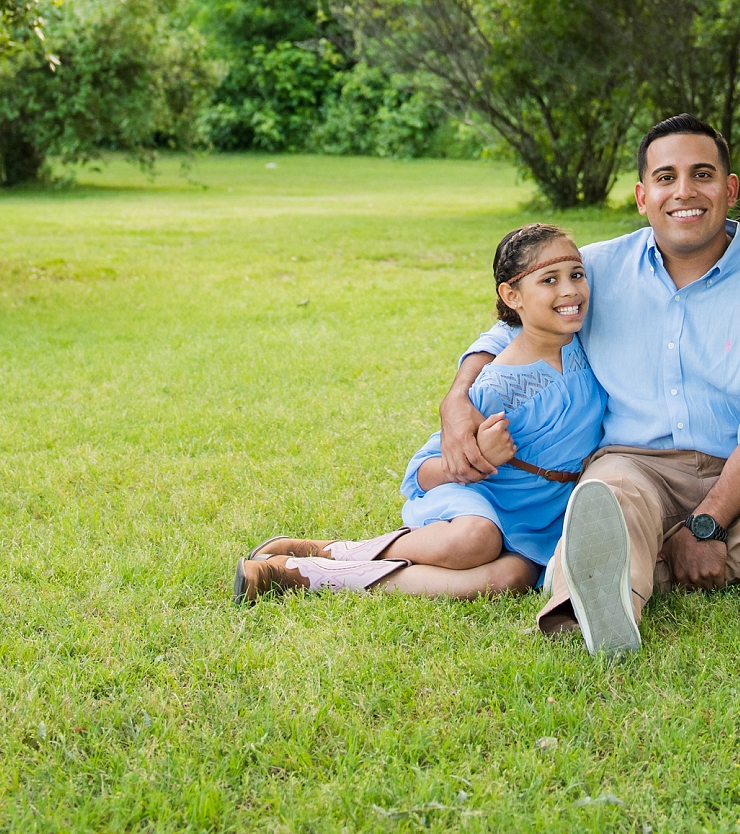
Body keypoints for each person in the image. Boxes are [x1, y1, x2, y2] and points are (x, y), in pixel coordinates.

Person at [446, 114, 740, 655]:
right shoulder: (594, 269)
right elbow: (508, 329)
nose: (685, 192)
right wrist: (457, 397)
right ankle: (604, 607)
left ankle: (633, 567)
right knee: (610, 493)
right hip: (633, 467)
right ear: (642, 195)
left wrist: (708, 524)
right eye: (666, 177)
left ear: (729, 188)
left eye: (702, 174)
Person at [235, 224, 607, 603]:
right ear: (512, 295)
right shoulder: (498, 386)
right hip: (481, 503)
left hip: (544, 513)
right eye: (549, 280)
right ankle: (326, 561)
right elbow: (424, 472)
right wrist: (479, 454)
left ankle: (322, 571)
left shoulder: (587, 342)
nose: (569, 290)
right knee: (476, 539)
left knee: (510, 578)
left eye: (577, 275)